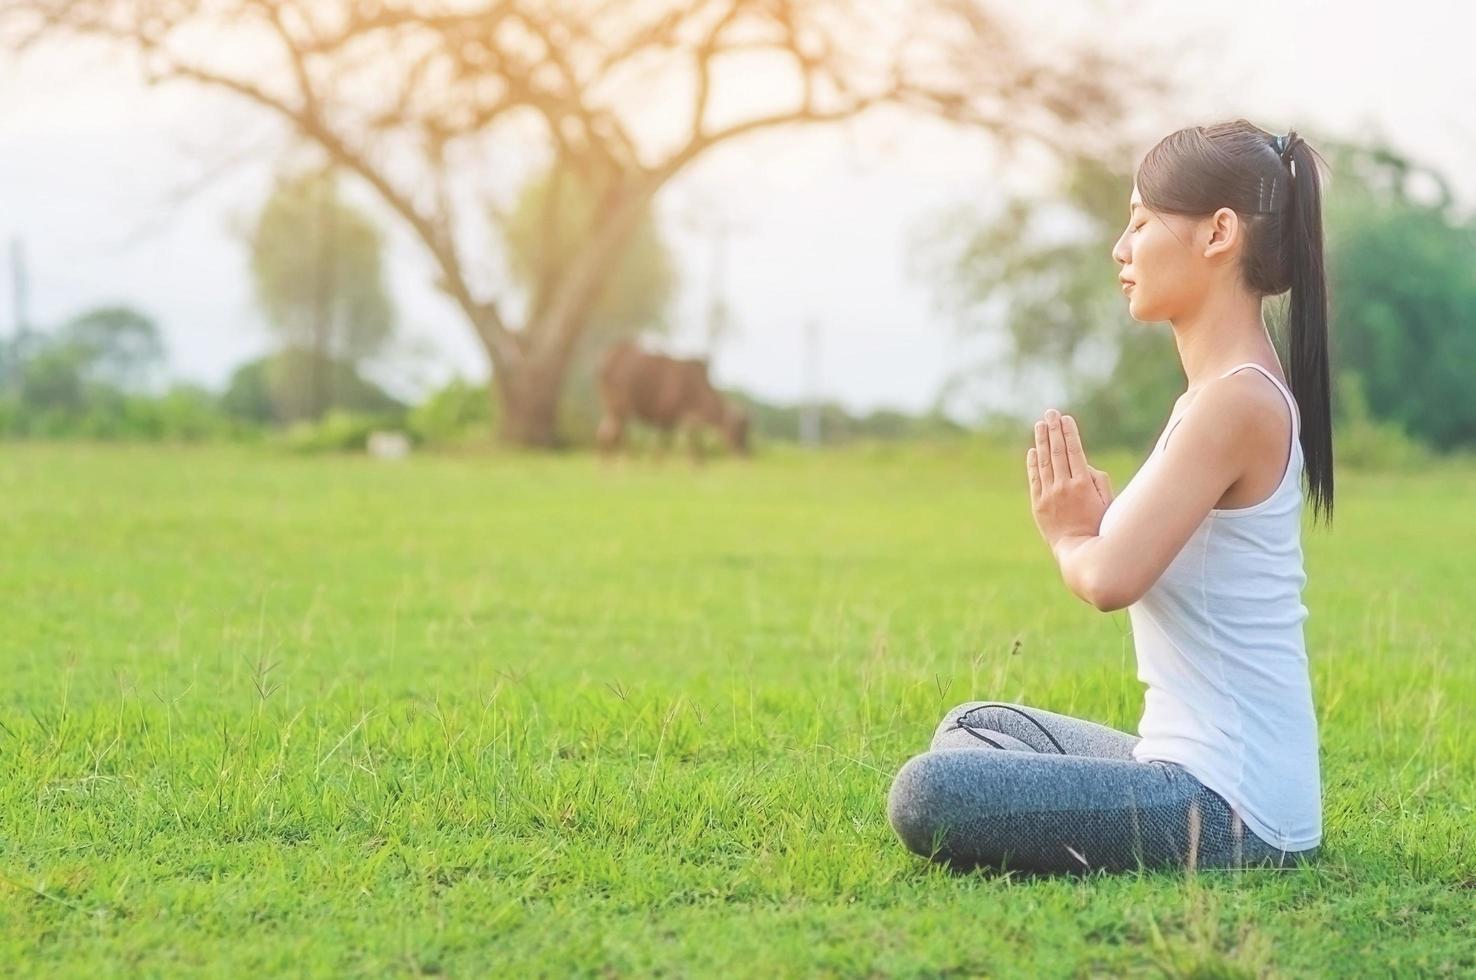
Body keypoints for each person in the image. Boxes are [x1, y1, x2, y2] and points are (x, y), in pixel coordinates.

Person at [887, 120, 1333, 875]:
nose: (1120, 250)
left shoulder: (1235, 403)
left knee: (927, 793)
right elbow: (1144, 552)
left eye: (1139, 223)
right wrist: (1102, 525)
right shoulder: (1215, 396)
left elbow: (1108, 579)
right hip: (1187, 769)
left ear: (1218, 232)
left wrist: (1070, 535)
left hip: (1231, 811)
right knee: (981, 725)